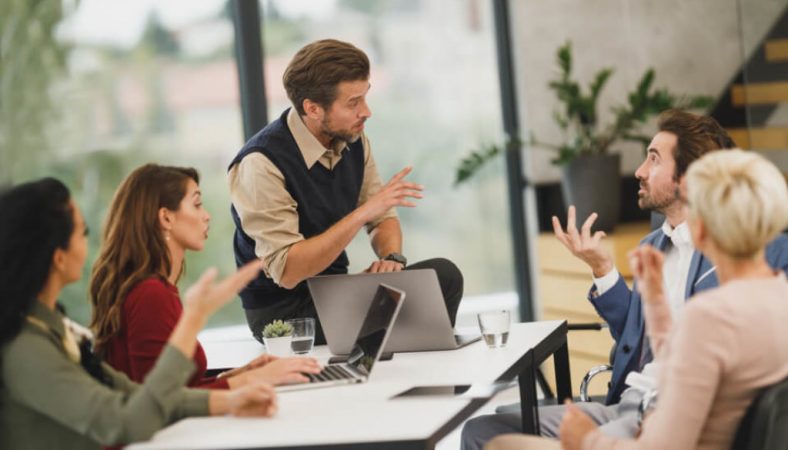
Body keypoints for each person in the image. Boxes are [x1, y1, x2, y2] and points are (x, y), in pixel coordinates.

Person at [460, 110, 788, 449]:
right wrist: (605, 271)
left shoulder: (763, 261)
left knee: (503, 446)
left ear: (688, 181)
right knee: (482, 431)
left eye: (654, 160)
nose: (639, 172)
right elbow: (647, 345)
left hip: (660, 415)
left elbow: (699, 352)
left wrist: (586, 440)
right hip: (632, 400)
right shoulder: (654, 247)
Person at [0, 178, 277, 449]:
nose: (206, 216)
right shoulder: (28, 349)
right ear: (58, 257)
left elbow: (141, 396)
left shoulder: (50, 326)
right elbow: (131, 421)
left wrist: (232, 400)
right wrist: (194, 319)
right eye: (82, 232)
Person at [228, 39, 463, 343]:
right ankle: (392, 368)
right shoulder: (261, 163)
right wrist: (362, 213)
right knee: (401, 319)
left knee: (442, 277)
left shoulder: (352, 139)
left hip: (337, 294)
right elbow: (288, 272)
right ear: (312, 108)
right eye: (353, 103)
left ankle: (403, 371)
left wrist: (391, 258)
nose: (366, 112)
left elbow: (383, 218)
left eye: (365, 97)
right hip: (284, 313)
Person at [89, 164, 321, 389]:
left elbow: (180, 390)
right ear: (166, 218)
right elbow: (162, 402)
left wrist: (243, 373)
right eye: (197, 204)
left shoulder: (155, 289)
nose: (206, 216)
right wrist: (251, 380)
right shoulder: (150, 294)